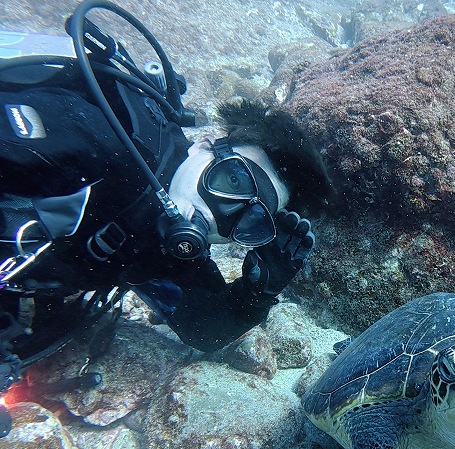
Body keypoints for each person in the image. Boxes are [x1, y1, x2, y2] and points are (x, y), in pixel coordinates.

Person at [0, 0, 331, 417]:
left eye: (247, 219)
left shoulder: (170, 246)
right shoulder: (100, 140)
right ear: (207, 143)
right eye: (233, 180)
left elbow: (204, 329)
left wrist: (257, 291)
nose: (217, 213)